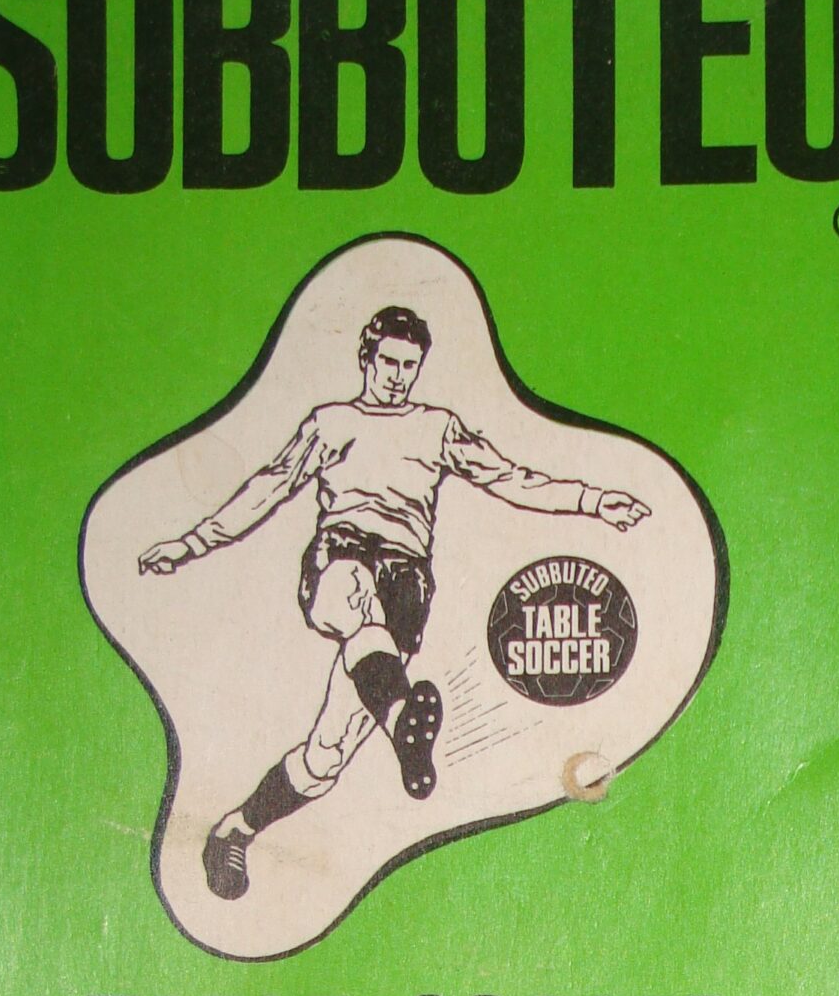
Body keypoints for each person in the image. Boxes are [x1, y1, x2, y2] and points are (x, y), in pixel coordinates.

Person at [140, 305, 648, 900]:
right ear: (367, 357)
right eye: (388, 362)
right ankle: (402, 720)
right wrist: (192, 543)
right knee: (355, 600)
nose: (398, 377)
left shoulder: (437, 428)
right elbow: (269, 487)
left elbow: (511, 478)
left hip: (408, 582)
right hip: (343, 555)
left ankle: (237, 828)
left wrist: (593, 501)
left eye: (410, 366)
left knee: (326, 756)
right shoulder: (332, 423)